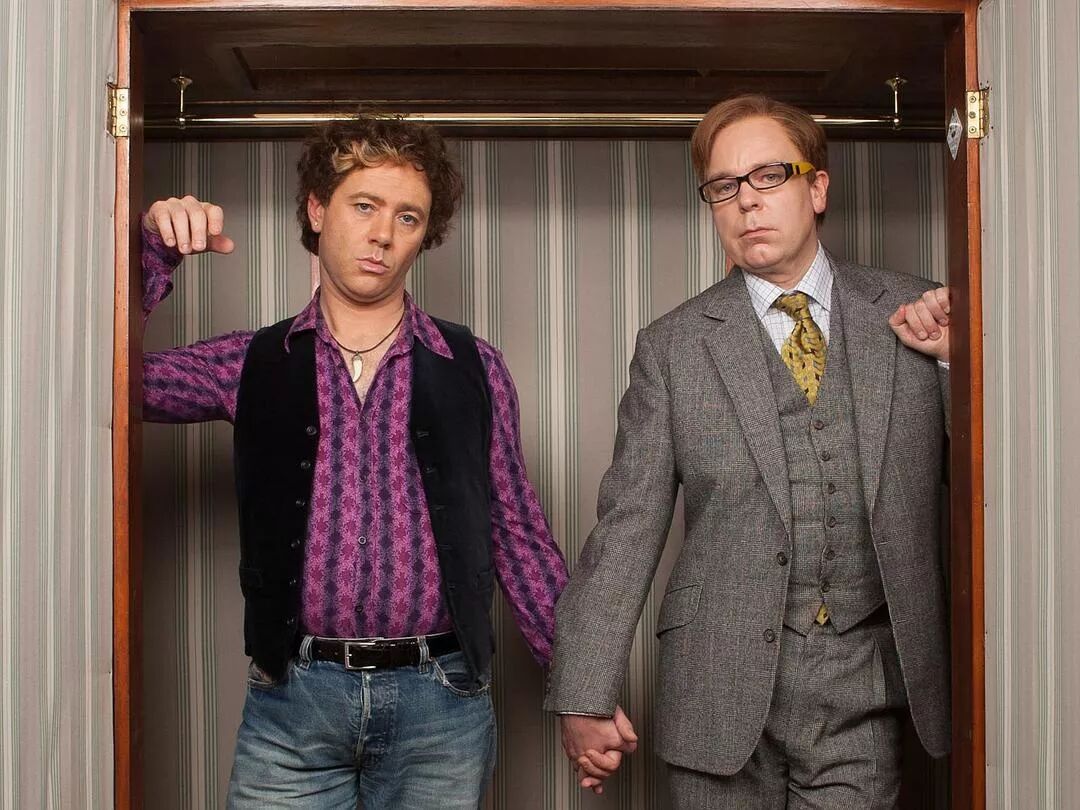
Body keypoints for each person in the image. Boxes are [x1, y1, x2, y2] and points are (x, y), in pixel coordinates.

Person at [140, 115, 568, 809]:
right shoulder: (252, 361)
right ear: (317, 209)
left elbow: (519, 535)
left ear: (424, 234)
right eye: (364, 205)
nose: (383, 234)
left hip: (442, 705)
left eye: (407, 216)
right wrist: (152, 258)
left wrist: (581, 689)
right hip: (293, 701)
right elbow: (113, 385)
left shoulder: (474, 366)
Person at [545, 94, 952, 808]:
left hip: (868, 685)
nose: (747, 202)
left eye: (769, 176)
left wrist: (955, 364)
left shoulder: (918, 314)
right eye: (724, 186)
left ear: (817, 187)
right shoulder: (673, 347)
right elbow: (627, 527)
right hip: (716, 686)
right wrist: (583, 689)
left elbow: (990, 484)